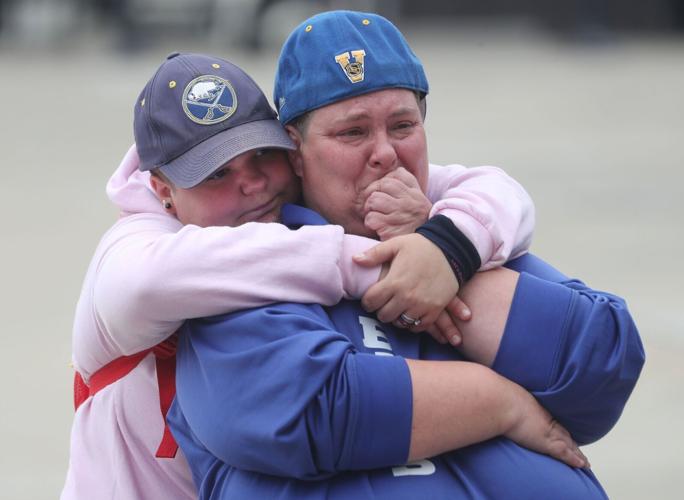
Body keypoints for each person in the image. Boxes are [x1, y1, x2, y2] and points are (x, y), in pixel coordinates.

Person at [167, 10, 645, 499]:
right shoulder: (247, 262)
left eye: (402, 126)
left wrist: (444, 256)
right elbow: (308, 414)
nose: (386, 154)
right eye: (352, 133)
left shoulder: (465, 235)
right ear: (295, 151)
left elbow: (601, 366)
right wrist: (501, 402)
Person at [61, 50, 538, 499]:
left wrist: (443, 241)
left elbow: (494, 189)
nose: (252, 184)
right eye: (215, 175)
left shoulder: (286, 201)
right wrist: (386, 269)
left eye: (261, 155)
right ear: (162, 189)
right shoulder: (132, 246)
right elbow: (143, 285)